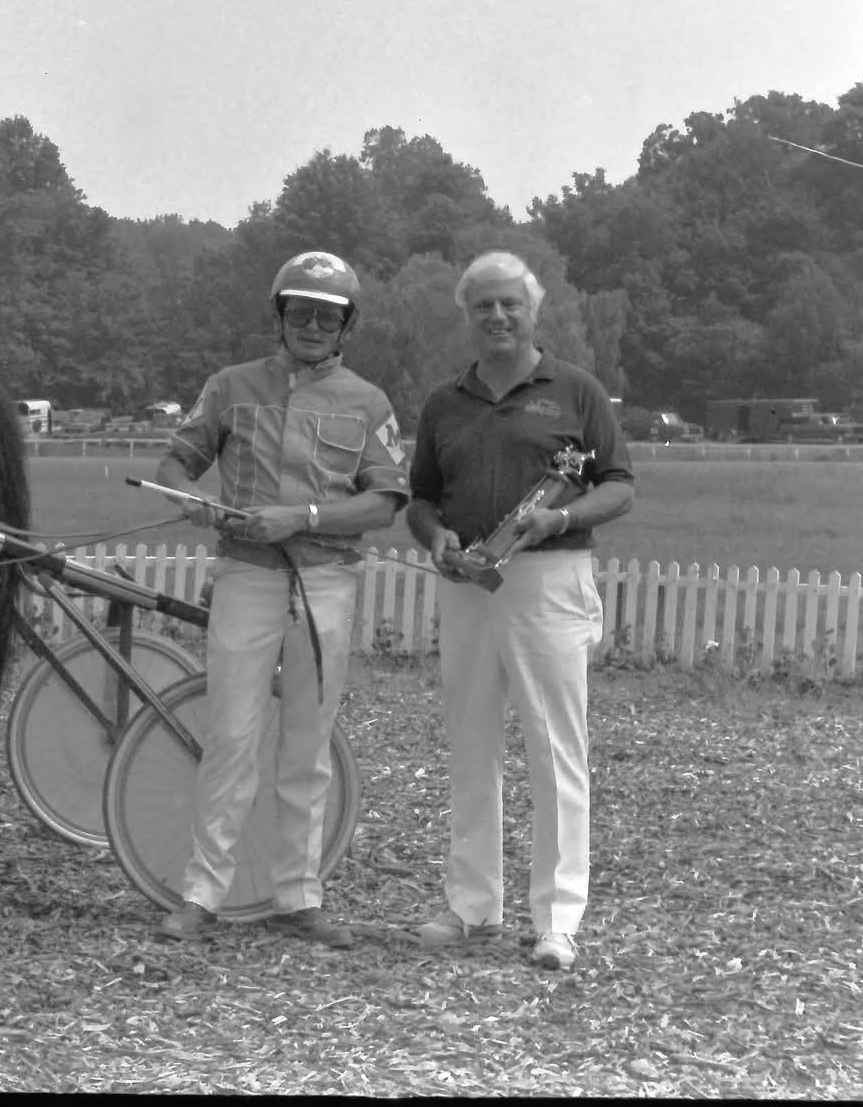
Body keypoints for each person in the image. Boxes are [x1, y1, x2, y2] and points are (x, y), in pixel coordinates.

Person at [150, 251, 409, 946]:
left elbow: (386, 502)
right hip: (248, 575)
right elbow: (176, 462)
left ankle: (298, 895)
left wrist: (304, 518)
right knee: (231, 736)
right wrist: (190, 498)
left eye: (328, 316)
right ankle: (202, 892)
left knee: (307, 743)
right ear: (280, 315)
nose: (314, 326)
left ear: (346, 325)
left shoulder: (369, 402)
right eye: (302, 312)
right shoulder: (230, 387)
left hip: (326, 582)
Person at [403, 250, 635, 972]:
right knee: (471, 742)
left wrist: (560, 519)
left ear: (533, 310)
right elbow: (421, 498)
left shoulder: (576, 390)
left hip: (549, 580)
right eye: (484, 306)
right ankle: (472, 904)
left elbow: (619, 485)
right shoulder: (445, 402)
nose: (498, 316)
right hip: (469, 581)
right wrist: (434, 536)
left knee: (555, 747)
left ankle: (558, 920)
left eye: (510, 304)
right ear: (468, 316)